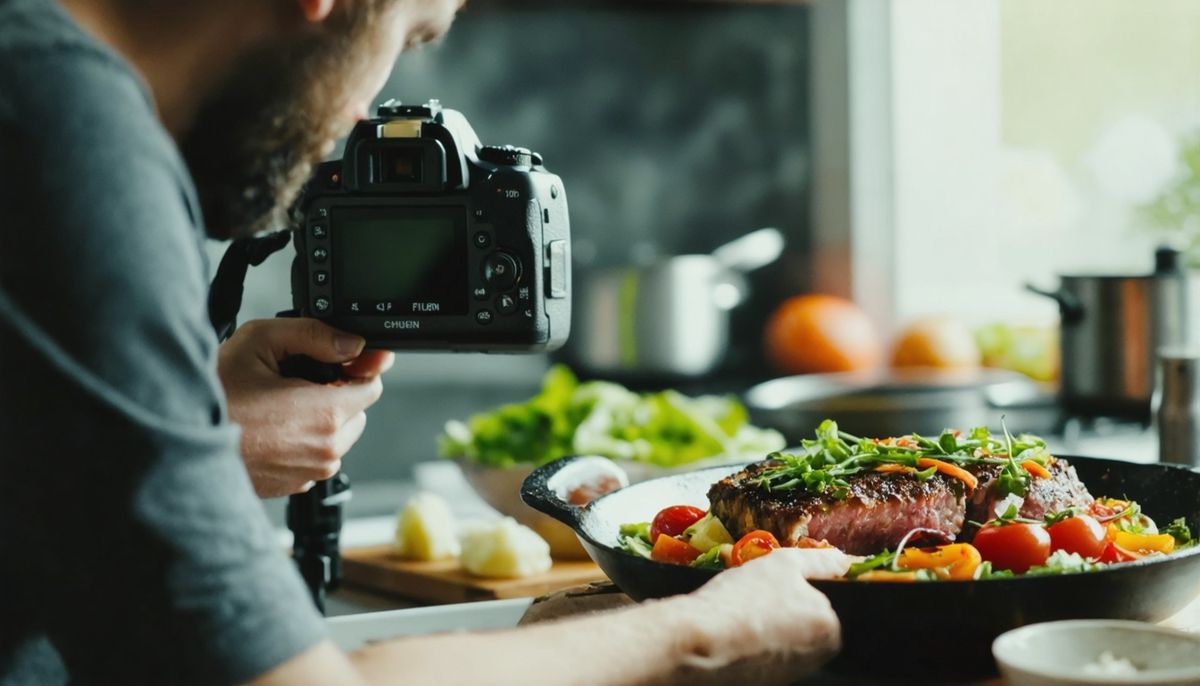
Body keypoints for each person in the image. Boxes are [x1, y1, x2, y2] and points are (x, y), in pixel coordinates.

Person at [0, 0, 847, 684]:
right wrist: (700, 631)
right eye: (409, 35)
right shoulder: (64, 134)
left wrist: (189, 430)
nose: (363, 116)